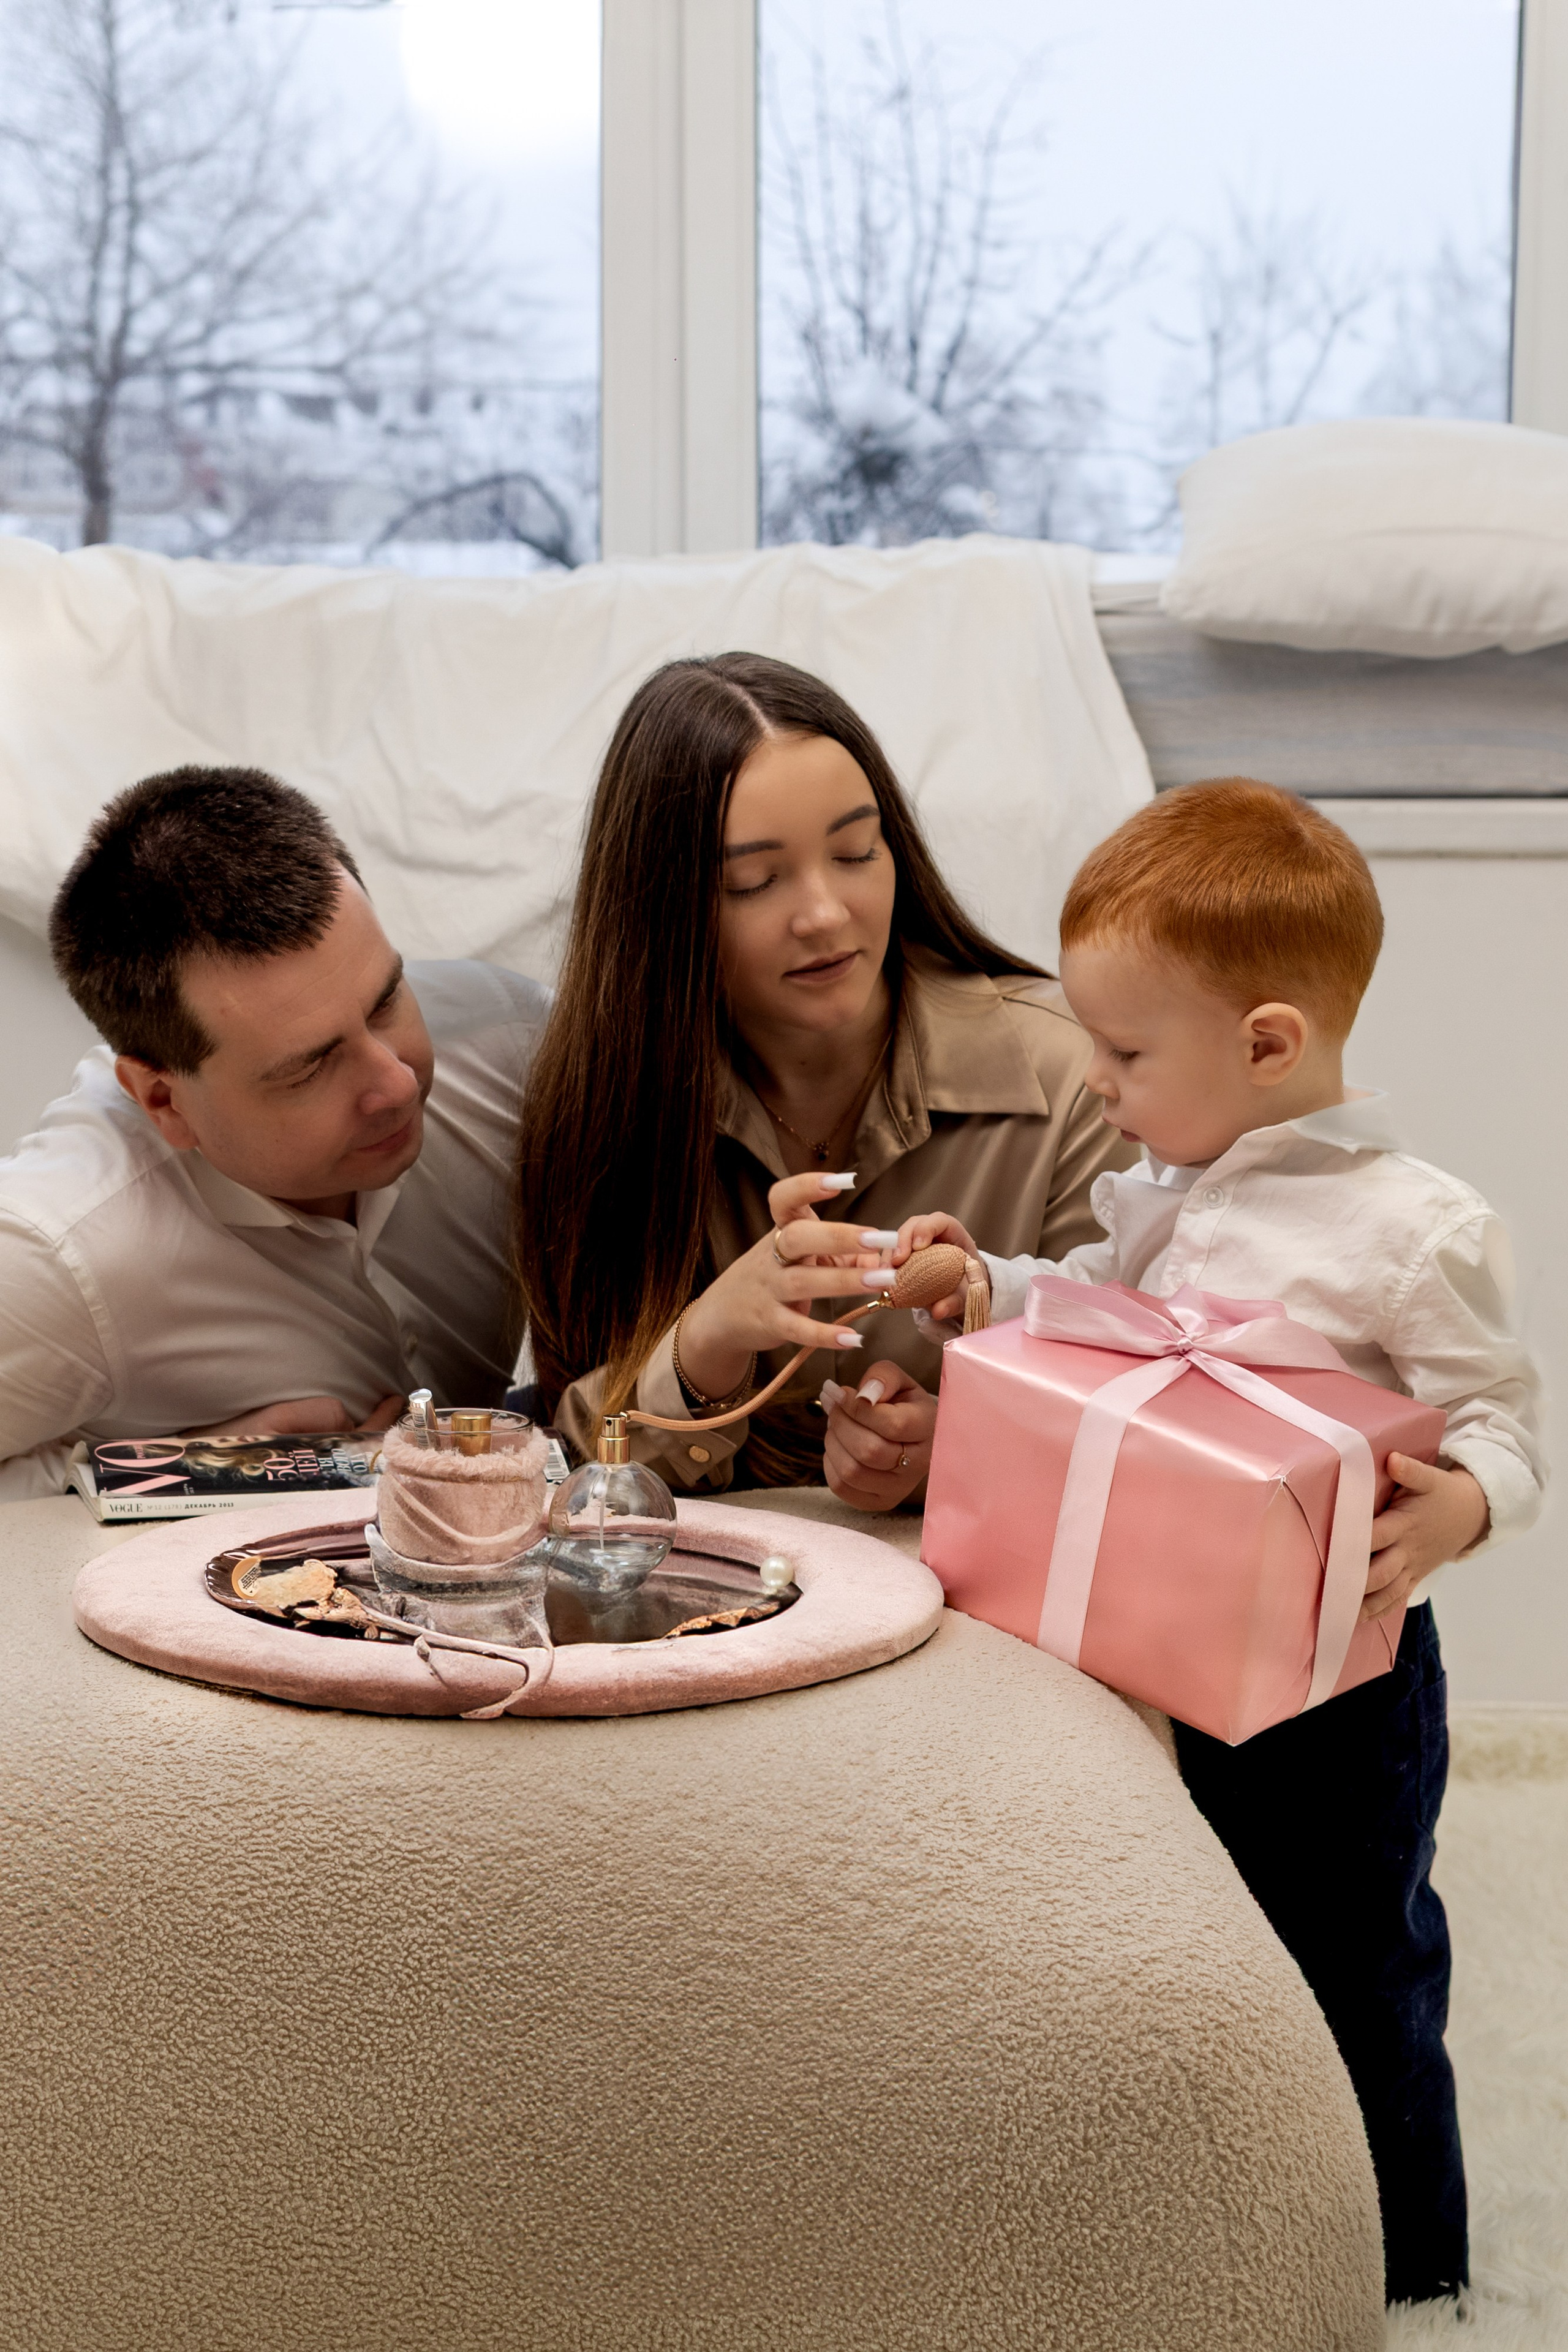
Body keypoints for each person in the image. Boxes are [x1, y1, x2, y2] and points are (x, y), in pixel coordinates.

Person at [891, 777, 1544, 2307]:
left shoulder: (1407, 1225)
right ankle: (1204, 2226)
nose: (1096, 1085)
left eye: (1123, 1053)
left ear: (1264, 1042)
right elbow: (1089, 1310)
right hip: (1161, 1642)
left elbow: (1501, 1422)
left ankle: (1400, 2266)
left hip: (1340, 1677)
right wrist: (976, 1279)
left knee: (1356, 1952)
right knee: (1185, 1939)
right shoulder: (1164, 1189)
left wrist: (1457, 1499)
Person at [513, 651, 1134, 1504]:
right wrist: (707, 1344)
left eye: (855, 852)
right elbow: (572, 1470)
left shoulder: (1075, 1079)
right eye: (754, 881)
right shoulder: (605, 1106)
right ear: (663, 911)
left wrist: (951, 1451)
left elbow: (1141, 1418)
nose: (827, 915)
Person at [0, 765, 548, 1499]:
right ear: (163, 1099)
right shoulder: (59, 1252)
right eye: (307, 1069)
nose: (395, 1083)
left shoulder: (511, 1039)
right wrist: (183, 1472)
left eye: (386, 1001)